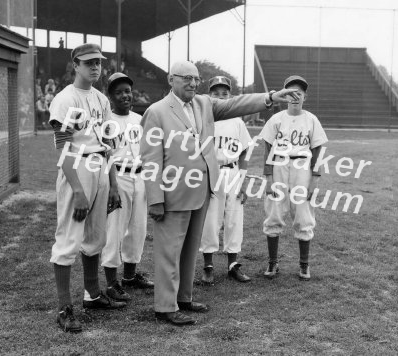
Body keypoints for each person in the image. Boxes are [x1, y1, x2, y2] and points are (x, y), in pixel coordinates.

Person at [139, 61, 299, 326]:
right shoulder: (156, 112)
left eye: (196, 79)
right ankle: (165, 307)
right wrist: (155, 199)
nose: (192, 83)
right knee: (169, 251)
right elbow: (150, 159)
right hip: (171, 194)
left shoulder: (204, 104)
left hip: (202, 190)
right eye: (186, 78)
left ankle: (184, 298)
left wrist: (270, 97)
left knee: (190, 249)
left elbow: (236, 104)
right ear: (171, 79)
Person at [48, 43, 126, 333]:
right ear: (75, 65)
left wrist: (113, 183)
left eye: (99, 62)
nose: (95, 67)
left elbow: (107, 146)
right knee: (69, 237)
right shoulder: (65, 99)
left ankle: (92, 294)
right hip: (77, 167)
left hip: (100, 167)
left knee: (96, 236)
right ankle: (64, 307)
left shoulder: (101, 100)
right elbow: (64, 149)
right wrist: (78, 190)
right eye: (89, 62)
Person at [258, 75, 328, 281]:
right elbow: (268, 150)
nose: (295, 96)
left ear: (306, 96)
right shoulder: (276, 119)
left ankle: (304, 265)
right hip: (279, 164)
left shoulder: (311, 119)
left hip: (302, 167)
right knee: (274, 213)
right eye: (291, 93)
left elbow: (318, 151)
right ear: (285, 96)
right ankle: (273, 263)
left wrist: (315, 179)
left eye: (300, 93)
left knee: (304, 214)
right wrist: (268, 178)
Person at [96, 72, 154, 303]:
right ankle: (111, 283)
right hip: (117, 176)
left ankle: (129, 277)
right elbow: (104, 155)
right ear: (110, 96)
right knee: (115, 230)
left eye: (127, 91)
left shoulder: (140, 119)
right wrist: (111, 185)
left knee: (138, 228)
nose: (125, 95)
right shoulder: (105, 122)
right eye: (118, 92)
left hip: (139, 176)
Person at [199, 76, 253, 285]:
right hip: (211, 172)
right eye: (216, 93)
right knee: (211, 220)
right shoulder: (205, 119)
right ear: (209, 95)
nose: (220, 97)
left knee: (234, 218)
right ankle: (208, 265)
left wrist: (243, 180)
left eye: (225, 93)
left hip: (232, 171)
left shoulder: (237, 121)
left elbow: (245, 152)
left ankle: (233, 265)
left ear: (230, 96)